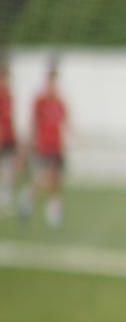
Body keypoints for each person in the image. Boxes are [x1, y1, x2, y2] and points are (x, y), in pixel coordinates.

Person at [21, 58, 68, 226]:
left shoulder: (59, 101)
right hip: (44, 146)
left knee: (56, 180)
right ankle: (29, 197)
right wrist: (29, 143)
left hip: (57, 146)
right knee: (47, 177)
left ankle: (53, 210)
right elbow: (33, 123)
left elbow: (65, 122)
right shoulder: (40, 101)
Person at [0, 54, 18, 215]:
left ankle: (5, 196)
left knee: (8, 168)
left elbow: (10, 118)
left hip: (8, 138)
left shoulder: (9, 95)